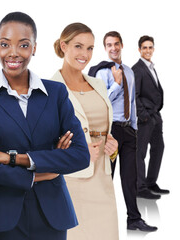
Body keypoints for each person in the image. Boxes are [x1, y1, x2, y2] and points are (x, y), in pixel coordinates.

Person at [0, 12, 90, 240]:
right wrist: (44, 169)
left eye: (23, 45)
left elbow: (81, 155)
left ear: (34, 48)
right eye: (5, 44)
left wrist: (13, 159)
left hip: (51, 215)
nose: (13, 53)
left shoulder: (56, 93)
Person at [51, 23, 119, 239]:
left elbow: (104, 128)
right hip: (72, 183)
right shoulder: (49, 89)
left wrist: (114, 147)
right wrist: (78, 151)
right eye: (78, 46)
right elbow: (41, 142)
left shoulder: (98, 84)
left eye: (90, 48)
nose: (85, 54)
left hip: (103, 178)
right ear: (64, 46)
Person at [88, 31, 157, 231]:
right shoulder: (102, 73)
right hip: (111, 131)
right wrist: (116, 84)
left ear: (122, 45)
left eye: (116, 44)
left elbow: (133, 102)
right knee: (106, 177)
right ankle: (99, 220)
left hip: (128, 131)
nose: (113, 48)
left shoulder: (129, 71)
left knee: (130, 178)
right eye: (109, 45)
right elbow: (101, 102)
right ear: (105, 48)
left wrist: (135, 128)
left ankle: (134, 219)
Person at [132, 35, 169, 199]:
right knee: (140, 152)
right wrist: (144, 115)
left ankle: (150, 182)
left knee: (158, 148)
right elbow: (135, 95)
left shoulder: (151, 67)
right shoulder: (137, 69)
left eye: (150, 47)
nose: (148, 50)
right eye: (144, 48)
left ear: (153, 49)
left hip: (155, 116)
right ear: (139, 50)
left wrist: (155, 113)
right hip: (145, 117)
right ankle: (140, 188)